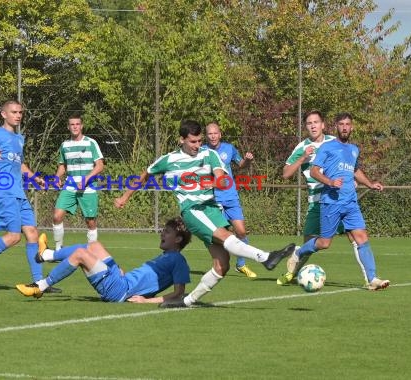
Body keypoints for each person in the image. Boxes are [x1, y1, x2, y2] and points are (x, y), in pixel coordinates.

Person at [114, 119, 295, 308]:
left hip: (212, 208)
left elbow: (220, 176)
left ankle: (186, 301)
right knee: (227, 236)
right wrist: (125, 197)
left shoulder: (209, 154)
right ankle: (265, 257)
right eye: (193, 141)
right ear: (181, 140)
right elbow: (146, 174)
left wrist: (217, 181)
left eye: (200, 141)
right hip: (192, 210)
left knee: (221, 266)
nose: (197, 145)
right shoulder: (169, 159)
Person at [0, 100, 61, 294]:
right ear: (3, 114)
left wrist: (35, 179)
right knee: (14, 237)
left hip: (19, 192)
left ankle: (38, 283)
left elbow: (20, 165)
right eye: (14, 112)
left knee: (32, 233)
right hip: (5, 190)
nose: (18, 115)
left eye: (20, 112)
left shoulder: (19, 139)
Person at [288, 112, 390, 290]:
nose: (344, 127)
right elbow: (314, 171)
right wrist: (330, 182)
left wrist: (370, 184)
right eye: (341, 124)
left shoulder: (353, 149)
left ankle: (372, 279)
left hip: (350, 203)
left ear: (352, 127)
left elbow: (355, 171)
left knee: (362, 237)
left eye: (347, 124)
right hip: (331, 202)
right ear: (336, 126)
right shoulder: (327, 147)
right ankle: (299, 252)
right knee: (324, 243)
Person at [277, 110, 364, 285]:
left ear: (323, 124)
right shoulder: (302, 147)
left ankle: (369, 278)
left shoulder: (334, 141)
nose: (313, 125)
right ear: (306, 127)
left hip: (338, 199)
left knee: (355, 237)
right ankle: (293, 274)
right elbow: (286, 174)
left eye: (316, 122)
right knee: (310, 244)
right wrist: (302, 158)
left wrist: (352, 181)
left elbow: (349, 165)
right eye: (309, 123)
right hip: (316, 203)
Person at [16, 217, 191, 304]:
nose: (162, 233)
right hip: (122, 280)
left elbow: (178, 294)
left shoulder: (179, 261)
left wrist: (146, 301)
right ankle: (46, 254)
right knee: (93, 245)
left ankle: (40, 286)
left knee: (79, 254)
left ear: (177, 240)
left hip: (120, 291)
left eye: (167, 232)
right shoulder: (168, 256)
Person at [204, 121, 257, 279]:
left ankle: (241, 265)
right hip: (213, 198)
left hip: (231, 196)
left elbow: (241, 165)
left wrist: (247, 160)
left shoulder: (229, 148)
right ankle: (220, 264)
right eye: (210, 134)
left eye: (215, 133)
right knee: (220, 235)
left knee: (241, 231)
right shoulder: (202, 151)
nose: (213, 136)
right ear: (206, 136)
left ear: (220, 134)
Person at [52, 115, 104, 250]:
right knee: (57, 216)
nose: (75, 126)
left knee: (90, 221)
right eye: (72, 124)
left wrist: (86, 179)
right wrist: (57, 177)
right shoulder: (65, 145)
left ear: (81, 126)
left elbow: (99, 165)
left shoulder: (91, 143)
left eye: (77, 124)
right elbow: (62, 166)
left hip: (88, 187)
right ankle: (58, 249)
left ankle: (92, 250)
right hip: (69, 186)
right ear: (68, 127)